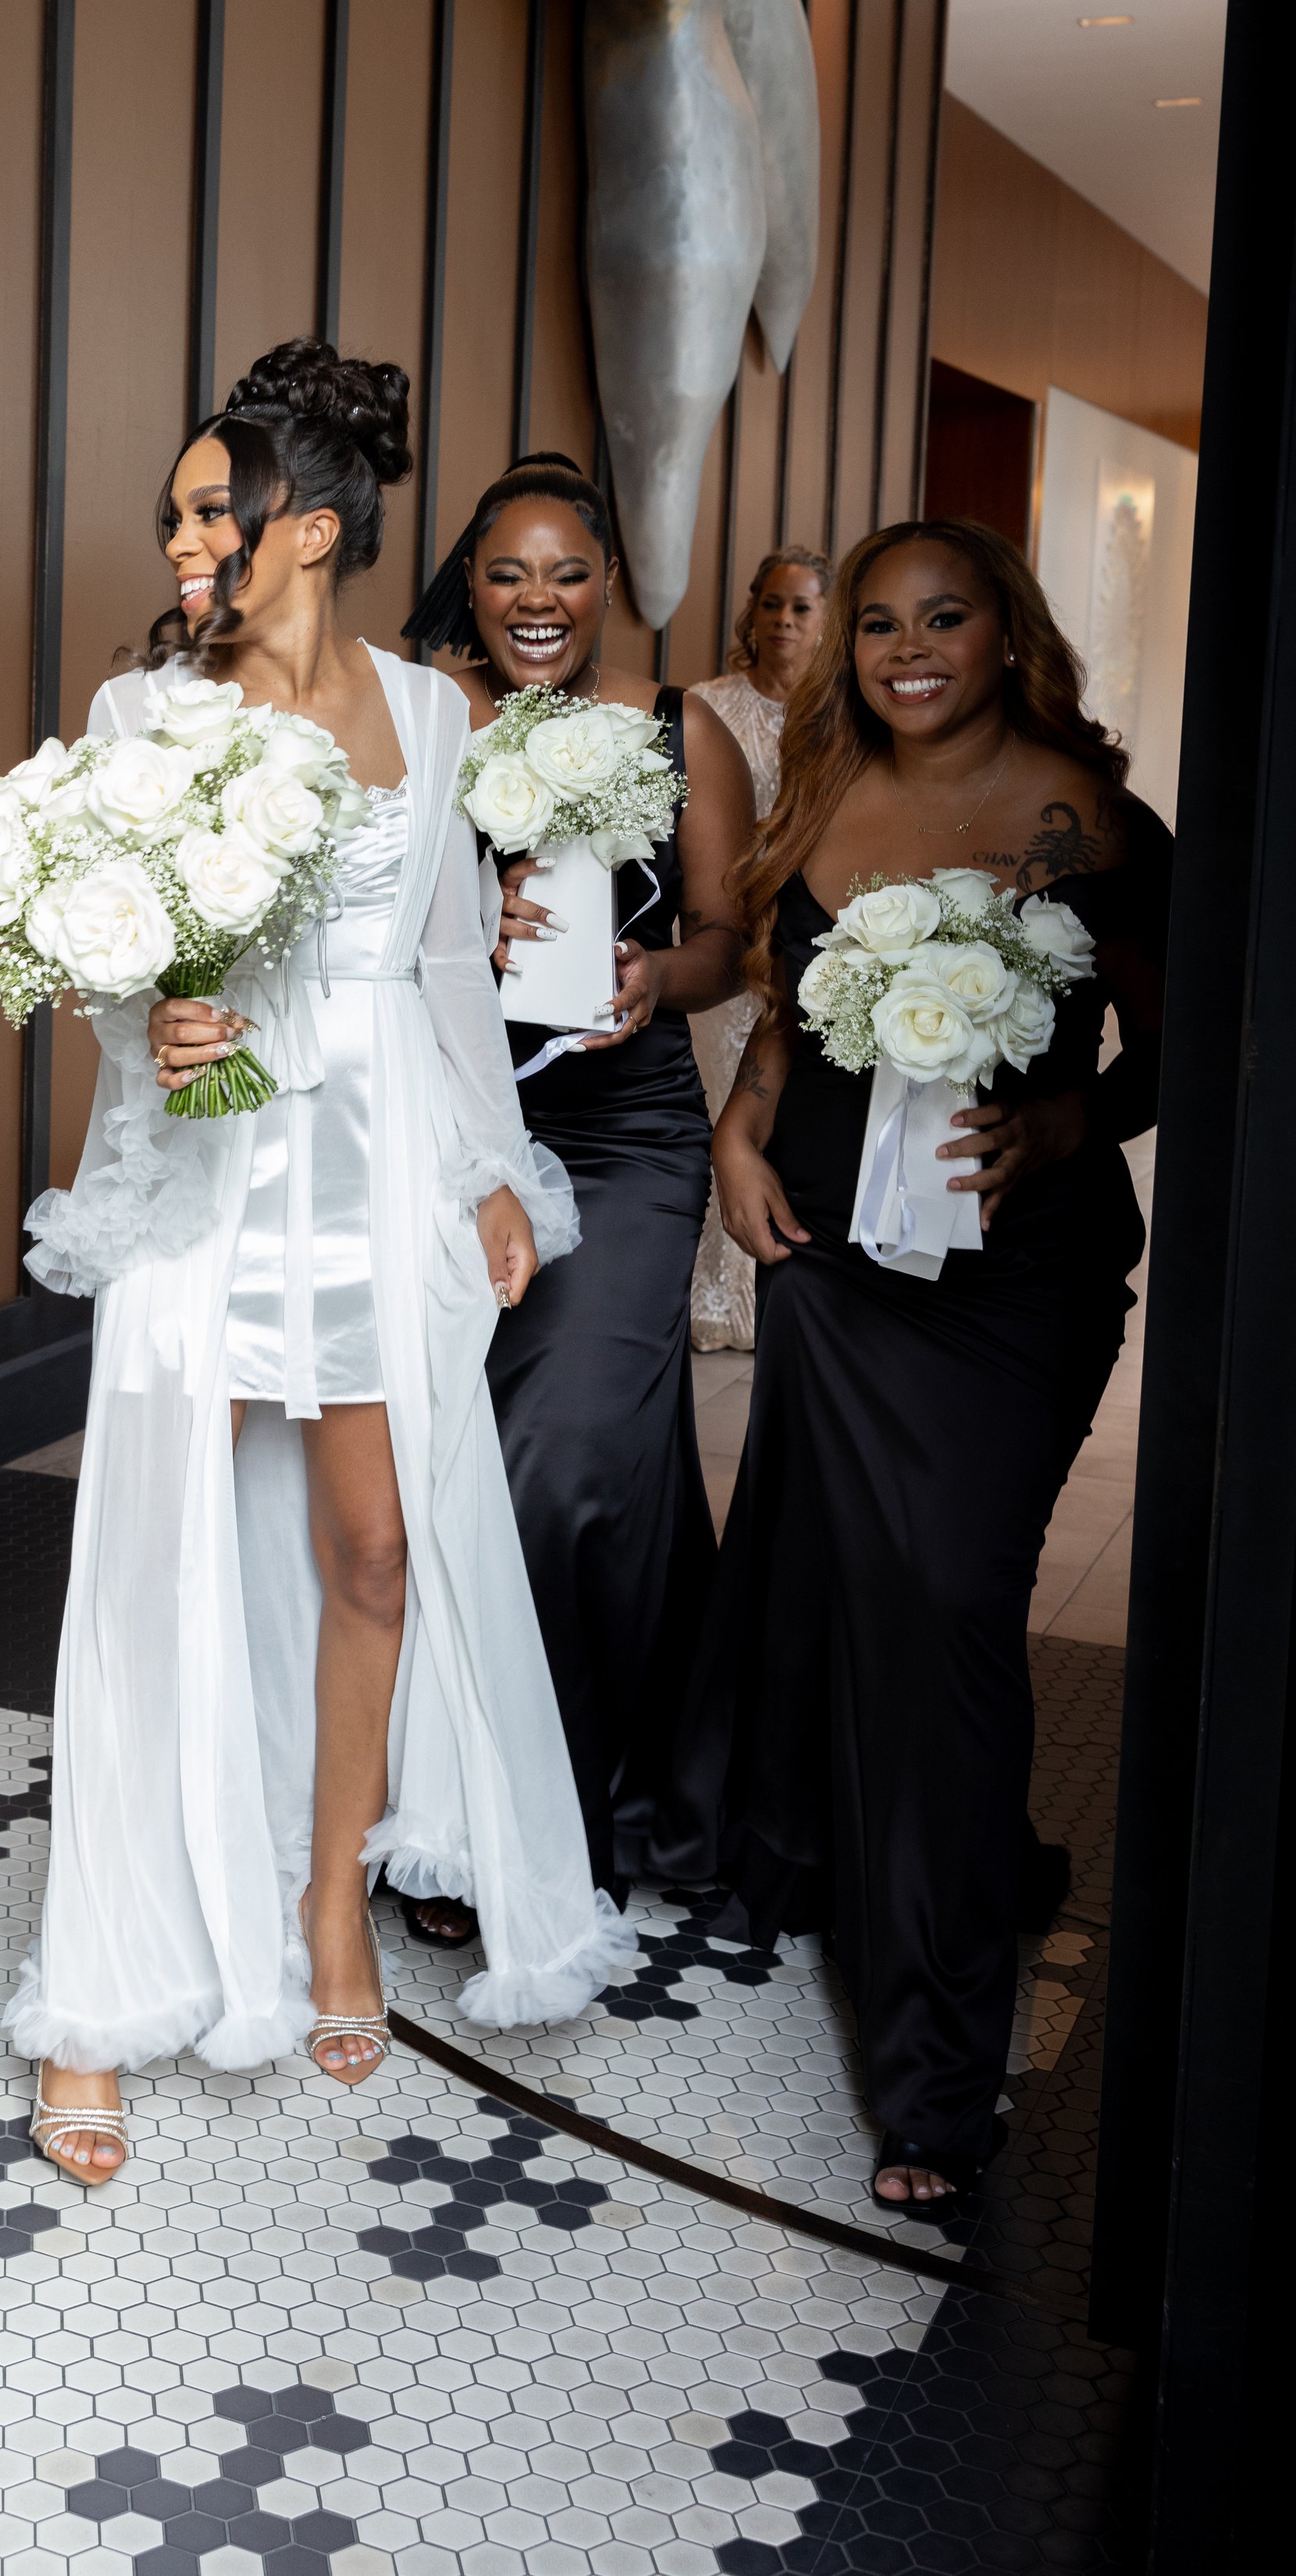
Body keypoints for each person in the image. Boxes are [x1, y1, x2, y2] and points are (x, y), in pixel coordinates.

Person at [11, 344, 633, 2186]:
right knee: (153, 1569)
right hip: (210, 1183)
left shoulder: (433, 717)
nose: (187, 536)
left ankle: (327, 1897)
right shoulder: (145, 715)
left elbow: (445, 962)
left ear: (308, 527)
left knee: (374, 1548)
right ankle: (107, 1983)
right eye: (180, 514)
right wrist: (154, 1010)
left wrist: (501, 1168)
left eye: (214, 509)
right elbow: (103, 957)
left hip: (375, 1183)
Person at [694, 518, 1168, 2210]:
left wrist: (1059, 1118)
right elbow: (779, 1003)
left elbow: (1169, 1051)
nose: (905, 646)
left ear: (1002, 632)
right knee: (833, 1580)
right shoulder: (822, 796)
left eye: (941, 617)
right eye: (877, 622)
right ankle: (862, 1859)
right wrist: (740, 1141)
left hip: (1007, 1287)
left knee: (952, 1606)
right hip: (827, 1268)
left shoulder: (1090, 822)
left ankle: (936, 2060)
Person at [397, 456, 753, 1947]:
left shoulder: (684, 729)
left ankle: (547, 1818)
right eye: (506, 575)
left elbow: (733, 938)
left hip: (623, 1131)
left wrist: (653, 976)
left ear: (611, 582)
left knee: (560, 1458)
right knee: (493, 1463)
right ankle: (595, 1786)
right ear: (470, 588)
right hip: (461, 1121)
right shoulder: (424, 715)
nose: (538, 601)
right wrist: (462, 933)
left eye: (566, 573)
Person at [688, 550, 831, 1349]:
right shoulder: (707, 708)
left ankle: (765, 1277)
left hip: (803, 945)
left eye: (801, 608)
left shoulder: (845, 717)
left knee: (782, 1105)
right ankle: (713, 1296)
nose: (782, 621)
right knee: (717, 1097)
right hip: (725, 936)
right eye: (771, 605)